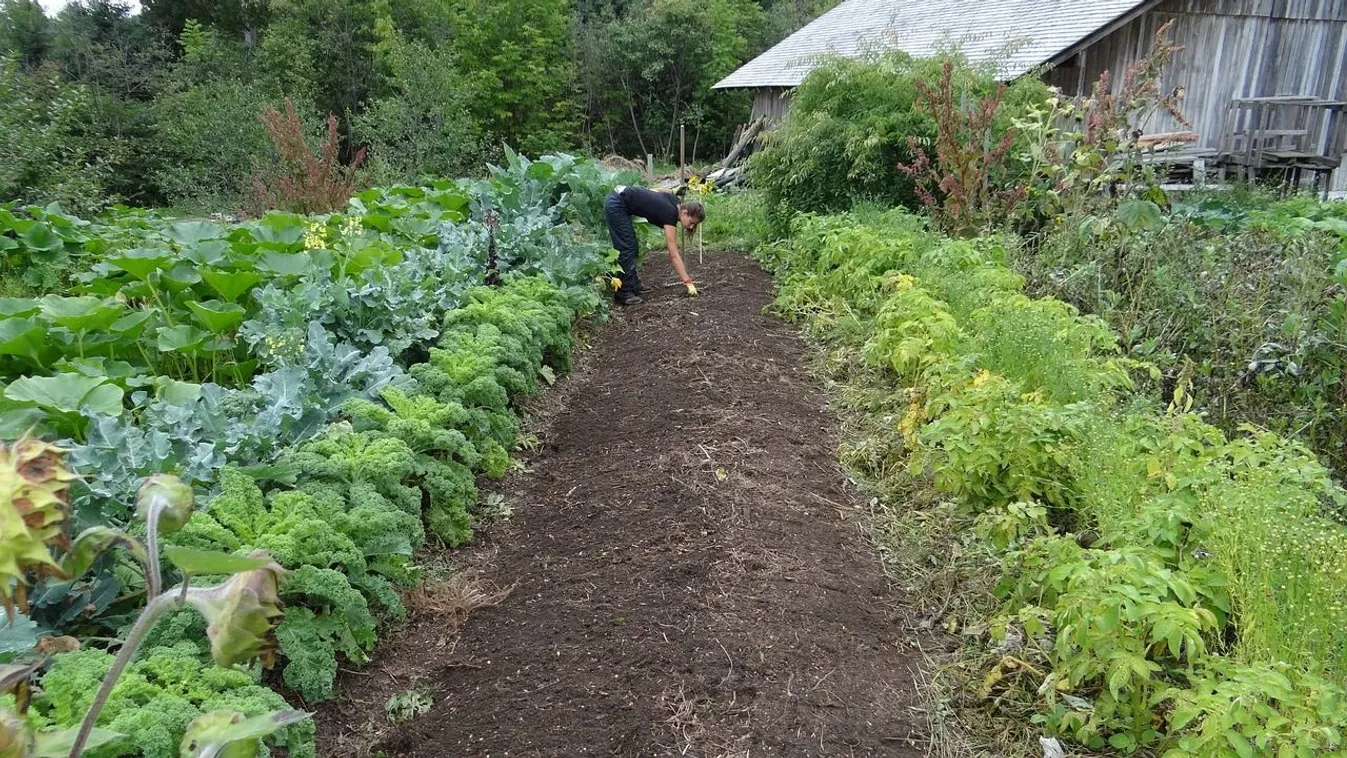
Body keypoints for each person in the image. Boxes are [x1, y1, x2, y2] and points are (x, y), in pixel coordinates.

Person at [603, 184, 704, 305]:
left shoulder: (676, 202)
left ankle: (633, 285)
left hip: (620, 198)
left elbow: (658, 192)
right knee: (626, 247)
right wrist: (687, 281)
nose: (691, 226)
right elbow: (674, 254)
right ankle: (624, 293)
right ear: (685, 212)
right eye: (692, 222)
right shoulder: (669, 214)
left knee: (632, 246)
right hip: (617, 203)